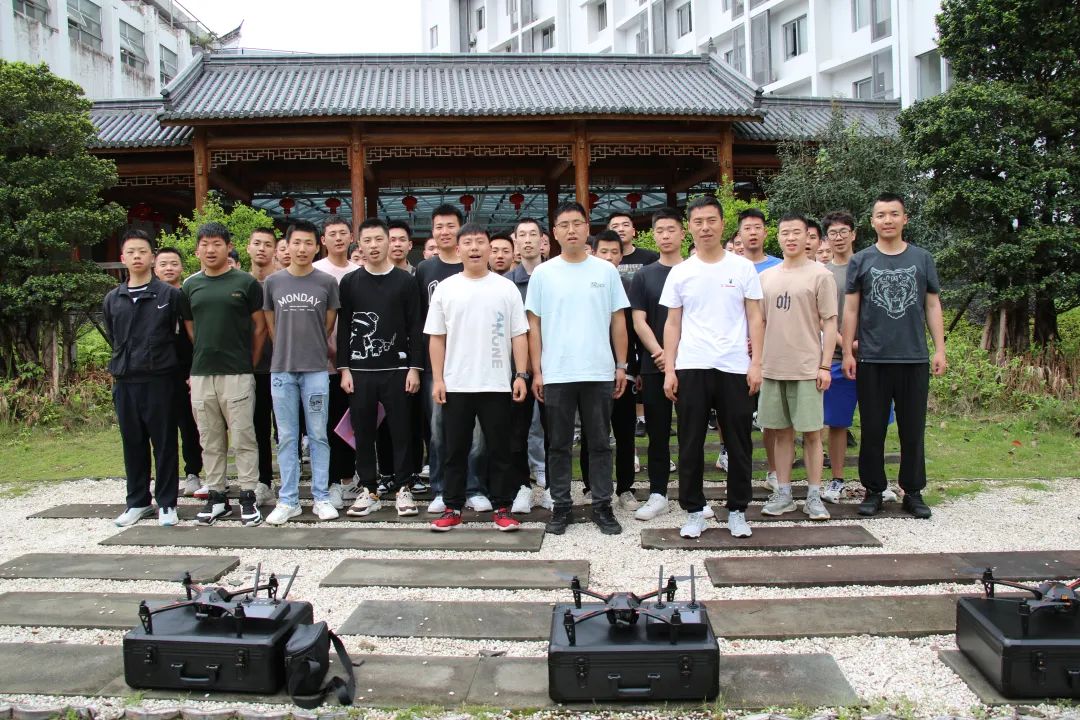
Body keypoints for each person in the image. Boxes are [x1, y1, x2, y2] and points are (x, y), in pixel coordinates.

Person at [661, 196, 763, 539]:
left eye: (711, 220)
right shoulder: (681, 272)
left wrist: (756, 363)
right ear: (689, 227)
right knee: (690, 442)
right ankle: (694, 511)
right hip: (692, 365)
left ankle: (737, 510)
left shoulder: (742, 268)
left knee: (739, 442)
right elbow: (672, 323)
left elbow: (755, 318)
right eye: (698, 221)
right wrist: (670, 369)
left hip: (734, 366)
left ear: (722, 224)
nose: (705, 227)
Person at [526, 201, 630, 536]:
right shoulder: (543, 273)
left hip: (599, 371)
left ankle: (602, 504)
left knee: (599, 442)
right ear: (554, 233)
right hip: (557, 372)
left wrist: (621, 365)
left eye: (577, 223)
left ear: (587, 228)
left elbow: (618, 320)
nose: (571, 230)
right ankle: (561, 506)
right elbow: (534, 325)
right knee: (558, 444)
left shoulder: (606, 271)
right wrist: (537, 371)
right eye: (564, 225)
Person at [842, 193, 946, 518]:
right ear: (872, 221)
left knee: (912, 429)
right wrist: (847, 351)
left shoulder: (922, 258)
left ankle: (912, 491)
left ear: (905, 219)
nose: (887, 220)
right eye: (881, 215)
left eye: (894, 214)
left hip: (913, 357)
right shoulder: (861, 260)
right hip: (871, 358)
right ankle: (874, 490)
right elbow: (851, 309)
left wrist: (940, 348)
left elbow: (932, 304)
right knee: (873, 428)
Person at [427, 224, 530, 532]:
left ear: (489, 248)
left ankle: (502, 507)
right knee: (454, 450)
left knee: (500, 449)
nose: (474, 248)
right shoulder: (446, 288)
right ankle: (452, 507)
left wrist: (520, 374)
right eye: (468, 242)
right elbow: (436, 337)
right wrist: (438, 379)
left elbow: (519, 334)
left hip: (496, 383)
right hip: (456, 384)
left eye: (480, 242)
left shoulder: (505, 288)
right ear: (458, 249)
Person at [180, 222, 267, 526]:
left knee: (243, 437)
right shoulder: (190, 286)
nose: (210, 249)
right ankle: (217, 496)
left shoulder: (246, 283)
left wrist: (249, 362)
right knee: (210, 439)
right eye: (205, 244)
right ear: (197, 250)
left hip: (238, 373)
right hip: (202, 373)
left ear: (228, 247)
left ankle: (248, 495)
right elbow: (191, 328)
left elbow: (259, 328)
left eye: (217, 243)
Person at [337, 218, 424, 517]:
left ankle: (403, 488)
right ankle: (369, 489)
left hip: (398, 370)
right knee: (363, 432)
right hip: (360, 371)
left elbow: (415, 326)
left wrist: (415, 367)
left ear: (389, 241)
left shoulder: (406, 281)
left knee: (401, 431)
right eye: (367, 240)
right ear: (359, 244)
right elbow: (344, 327)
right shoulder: (350, 282)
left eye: (379, 239)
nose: (373, 246)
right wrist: (344, 368)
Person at [757, 213, 838, 521]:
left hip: (807, 367)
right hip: (773, 367)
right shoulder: (767, 277)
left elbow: (830, 322)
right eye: (785, 233)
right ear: (777, 237)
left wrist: (825, 365)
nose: (790, 238)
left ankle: (814, 496)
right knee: (780, 433)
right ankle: (784, 493)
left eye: (796, 232)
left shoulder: (821, 275)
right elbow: (760, 322)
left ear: (808, 237)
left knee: (813, 434)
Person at [261, 220, 340, 524]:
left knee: (318, 434)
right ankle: (288, 500)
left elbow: (328, 325)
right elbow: (271, 326)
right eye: (297, 242)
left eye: (308, 243)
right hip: (282, 370)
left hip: (316, 370)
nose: (302, 248)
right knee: (287, 436)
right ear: (287, 245)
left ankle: (321, 497)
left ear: (317, 246)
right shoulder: (273, 282)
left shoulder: (326, 282)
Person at [105, 230, 183, 527]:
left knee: (164, 443)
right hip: (125, 380)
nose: (137, 256)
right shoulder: (113, 299)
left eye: (142, 251)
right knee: (132, 443)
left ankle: (167, 502)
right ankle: (137, 501)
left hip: (160, 380)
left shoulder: (169, 295)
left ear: (152, 257)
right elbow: (113, 336)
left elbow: (180, 339)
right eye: (131, 252)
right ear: (123, 258)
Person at [417, 205, 491, 513]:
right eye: (439, 226)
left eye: (451, 226)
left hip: (474, 365)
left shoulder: (476, 266)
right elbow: (419, 321)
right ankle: (440, 488)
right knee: (438, 430)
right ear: (432, 232)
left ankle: (474, 487)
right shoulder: (425, 270)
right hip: (436, 366)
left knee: (476, 432)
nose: (445, 232)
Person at [629, 208, 694, 521]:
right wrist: (661, 353)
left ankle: (693, 495)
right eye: (660, 231)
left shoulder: (695, 270)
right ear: (653, 235)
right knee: (657, 432)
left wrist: (676, 356)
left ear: (683, 232)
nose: (666, 236)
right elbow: (638, 320)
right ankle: (658, 493)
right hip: (654, 364)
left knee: (691, 432)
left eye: (671, 229)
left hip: (692, 362)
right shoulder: (645, 275)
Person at [581, 230, 640, 511]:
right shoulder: (584, 286)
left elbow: (634, 333)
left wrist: (631, 368)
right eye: (603, 251)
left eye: (614, 252)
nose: (609, 257)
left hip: (623, 371)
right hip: (591, 372)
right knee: (593, 432)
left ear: (621, 256)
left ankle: (625, 488)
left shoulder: (629, 286)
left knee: (625, 432)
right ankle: (591, 485)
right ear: (593, 253)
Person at [312, 216, 360, 508]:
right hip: (323, 362)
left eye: (343, 233)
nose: (338, 238)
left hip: (356, 362)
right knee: (328, 424)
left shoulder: (358, 272)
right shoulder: (316, 271)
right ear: (323, 240)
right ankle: (331, 482)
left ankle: (349, 479)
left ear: (352, 237)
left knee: (351, 423)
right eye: (332, 234)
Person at [507, 218, 552, 510]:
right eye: (521, 235)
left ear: (542, 240)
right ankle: (521, 486)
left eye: (532, 234)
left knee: (553, 430)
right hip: (517, 369)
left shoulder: (555, 275)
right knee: (516, 430)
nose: (527, 240)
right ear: (515, 241)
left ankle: (551, 486)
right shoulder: (507, 282)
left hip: (553, 365)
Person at [154, 246, 203, 498]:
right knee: (162, 428)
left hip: (186, 370)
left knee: (189, 425)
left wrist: (194, 370)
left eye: (174, 263)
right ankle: (166, 477)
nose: (169, 268)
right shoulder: (152, 299)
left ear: (182, 267)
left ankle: (193, 472)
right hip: (159, 372)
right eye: (163, 264)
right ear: (155, 268)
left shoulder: (187, 295)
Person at [739, 208, 781, 491]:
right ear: (739, 234)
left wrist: (763, 341)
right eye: (747, 228)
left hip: (774, 353)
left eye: (757, 227)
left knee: (772, 418)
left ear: (766, 232)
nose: (752, 233)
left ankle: (774, 472)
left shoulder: (780, 267)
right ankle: (738, 473)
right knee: (737, 417)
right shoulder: (731, 266)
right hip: (736, 353)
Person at [820, 211, 859, 502]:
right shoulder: (823, 274)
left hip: (872, 355)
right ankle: (836, 479)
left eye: (844, 231)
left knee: (876, 421)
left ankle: (877, 480)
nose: (839, 237)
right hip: (835, 357)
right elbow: (822, 319)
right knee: (837, 422)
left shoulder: (868, 266)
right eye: (833, 233)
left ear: (854, 234)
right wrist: (847, 345)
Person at [247, 228, 278, 506]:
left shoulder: (283, 281)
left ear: (275, 250)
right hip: (252, 368)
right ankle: (263, 481)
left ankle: (292, 483)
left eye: (268, 244)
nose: (262, 249)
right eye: (257, 243)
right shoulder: (241, 283)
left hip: (283, 366)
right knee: (257, 429)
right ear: (248, 247)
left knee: (289, 431)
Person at [608, 212, 659, 279]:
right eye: (615, 226)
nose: (621, 229)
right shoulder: (602, 260)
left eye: (625, 225)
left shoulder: (651, 257)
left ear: (633, 232)